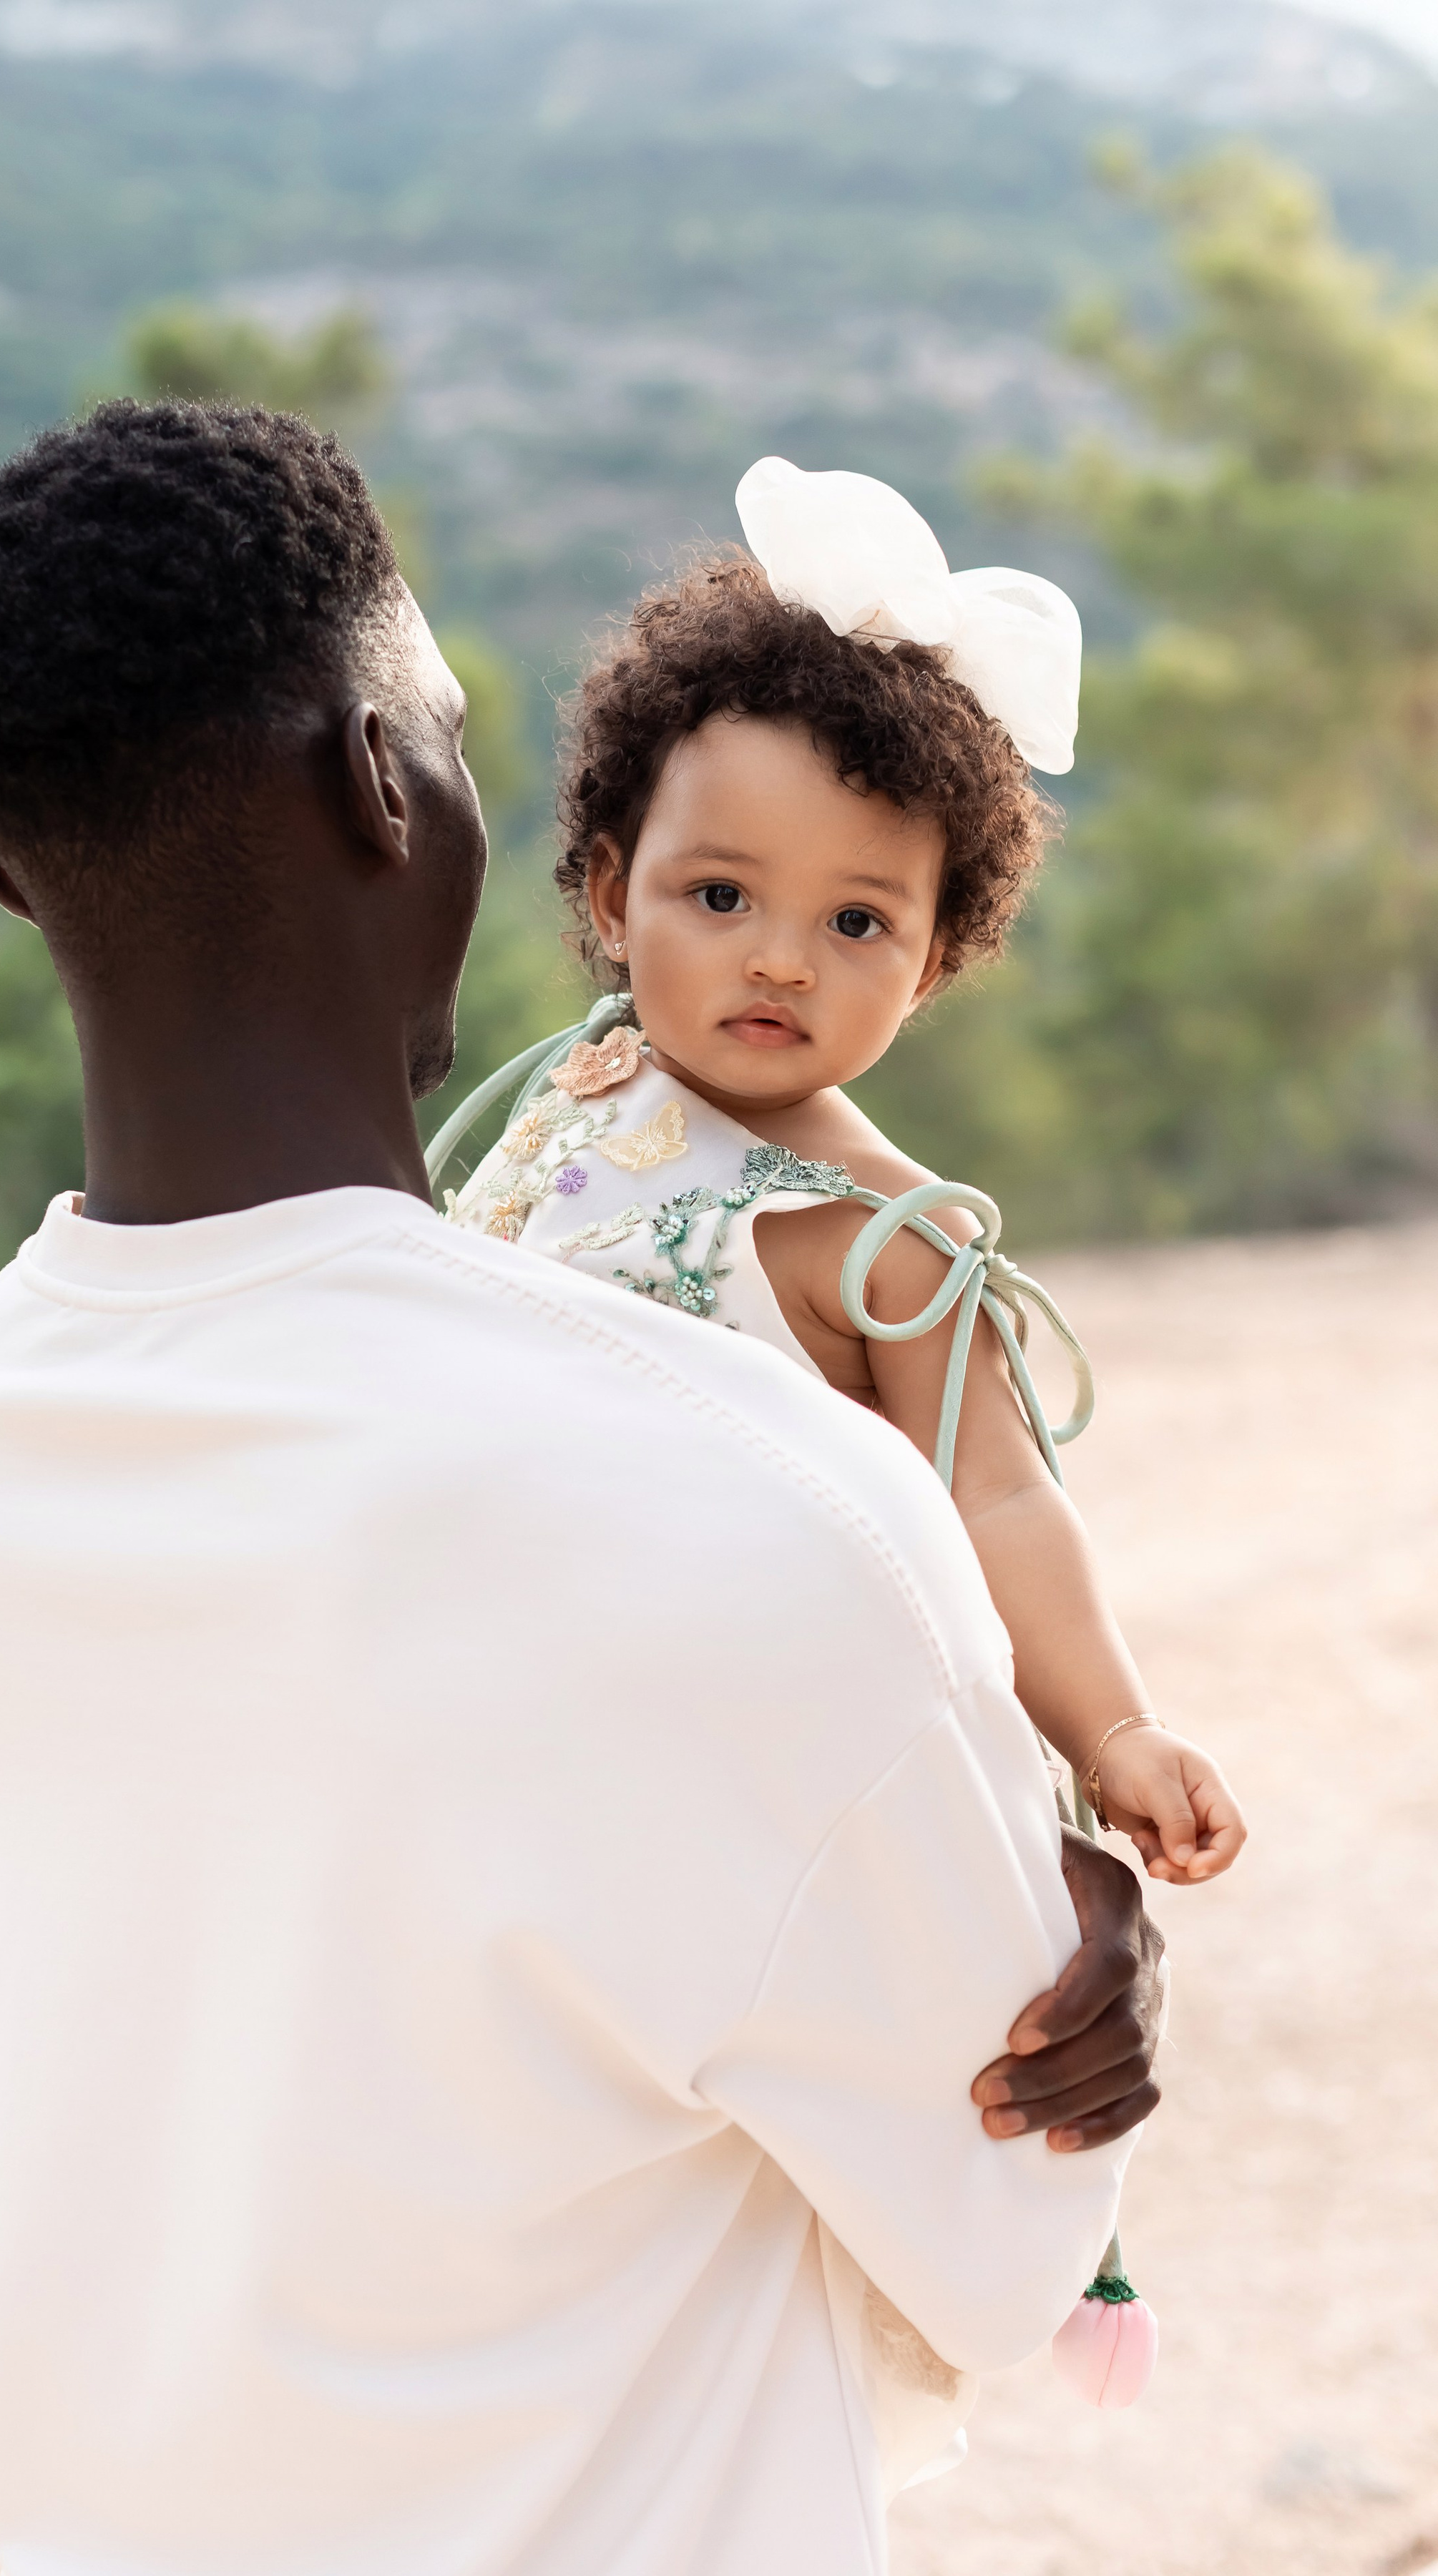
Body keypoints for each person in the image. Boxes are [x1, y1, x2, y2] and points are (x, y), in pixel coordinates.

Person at [0, 401, 1165, 2576]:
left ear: (8, 864)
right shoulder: (771, 1500)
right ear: (390, 790)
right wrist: (1071, 1896)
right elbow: (1010, 2224)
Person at [446, 460, 1246, 1889]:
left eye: (856, 920)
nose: (777, 956)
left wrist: (1111, 1726)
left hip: (697, 1775)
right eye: (718, 895)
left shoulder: (885, 1239)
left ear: (933, 962)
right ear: (606, 894)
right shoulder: (584, 1077)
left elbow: (998, 1500)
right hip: (469, 1694)